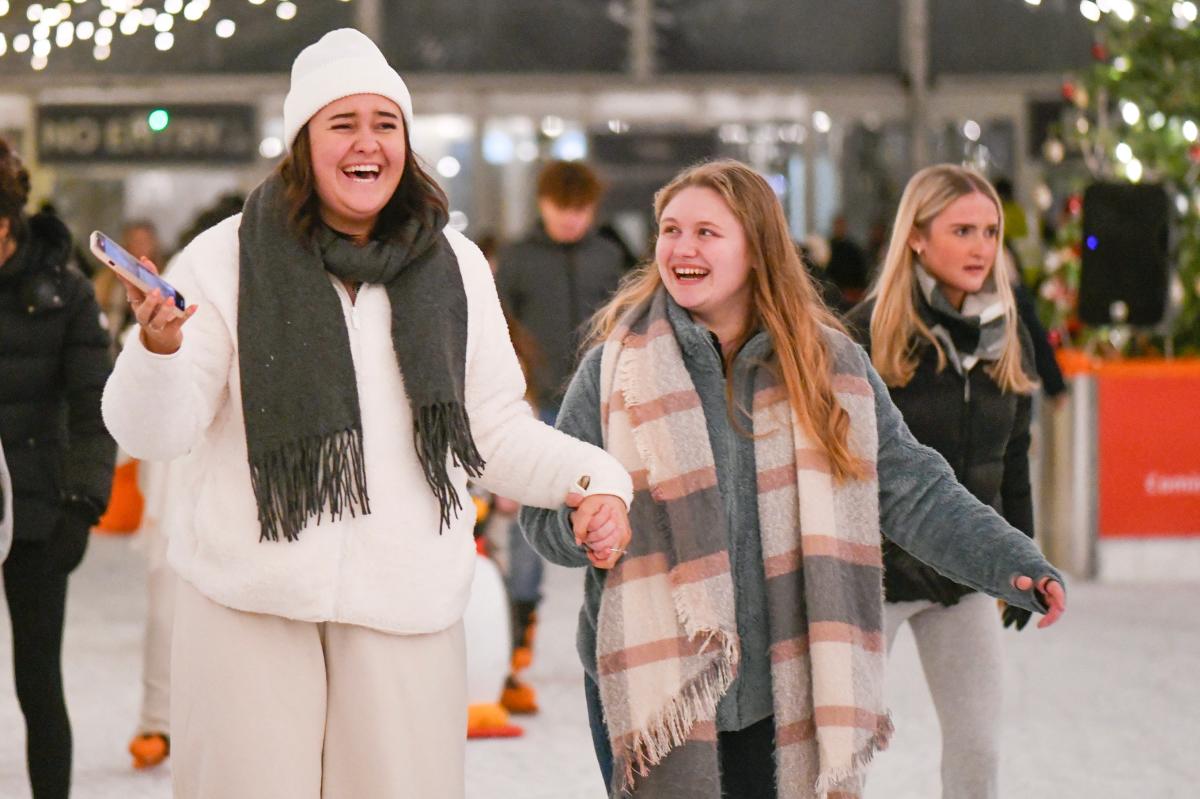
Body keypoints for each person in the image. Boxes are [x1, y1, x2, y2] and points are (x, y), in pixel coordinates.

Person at [101, 28, 632, 799]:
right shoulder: (225, 258)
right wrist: (156, 349)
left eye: (385, 124)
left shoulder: (454, 269)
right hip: (248, 608)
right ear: (303, 143)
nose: (367, 143)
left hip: (403, 610)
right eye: (341, 123)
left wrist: (594, 476)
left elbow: (491, 430)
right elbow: (155, 429)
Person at [520, 159, 1066, 799]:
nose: (682, 248)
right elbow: (544, 510)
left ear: (756, 248)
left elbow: (913, 487)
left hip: (783, 685)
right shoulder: (613, 371)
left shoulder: (828, 367)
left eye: (706, 232)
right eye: (671, 230)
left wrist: (1011, 558)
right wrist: (580, 526)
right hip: (653, 690)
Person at [846, 164, 1047, 798]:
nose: (982, 247)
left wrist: (1018, 559)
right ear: (917, 237)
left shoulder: (1007, 336)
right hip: (871, 578)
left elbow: (1014, 458)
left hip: (960, 578)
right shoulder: (863, 336)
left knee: (978, 749)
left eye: (989, 231)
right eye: (962, 230)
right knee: (840, 753)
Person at [0, 136, 116, 799]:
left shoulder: (64, 291)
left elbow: (94, 404)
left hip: (39, 511)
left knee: (37, 683)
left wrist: (82, 502)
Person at [494, 159, 627, 709]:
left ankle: (627, 651)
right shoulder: (520, 260)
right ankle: (509, 662)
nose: (570, 220)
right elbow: (497, 334)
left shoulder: (608, 256)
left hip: (602, 410)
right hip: (538, 405)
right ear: (543, 205)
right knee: (528, 543)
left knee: (613, 528)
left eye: (580, 210)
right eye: (560, 208)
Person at [826, 213, 870, 305]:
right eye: (837, 225)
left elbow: (860, 270)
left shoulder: (853, 249)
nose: (839, 228)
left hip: (851, 293)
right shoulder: (828, 248)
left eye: (841, 225)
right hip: (835, 292)